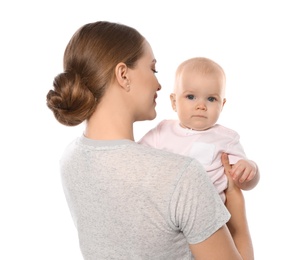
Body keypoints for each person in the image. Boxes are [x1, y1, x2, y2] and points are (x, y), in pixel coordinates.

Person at [46, 21, 253, 259]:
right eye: (153, 69)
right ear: (123, 75)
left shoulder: (70, 159)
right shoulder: (181, 176)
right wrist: (236, 203)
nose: (159, 84)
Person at [139, 57, 260, 202]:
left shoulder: (226, 138)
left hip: (206, 211)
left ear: (222, 105)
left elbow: (244, 183)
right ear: (174, 102)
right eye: (191, 97)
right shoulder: (162, 130)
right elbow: (136, 156)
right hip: (165, 206)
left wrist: (250, 169)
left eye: (211, 99)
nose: (201, 106)